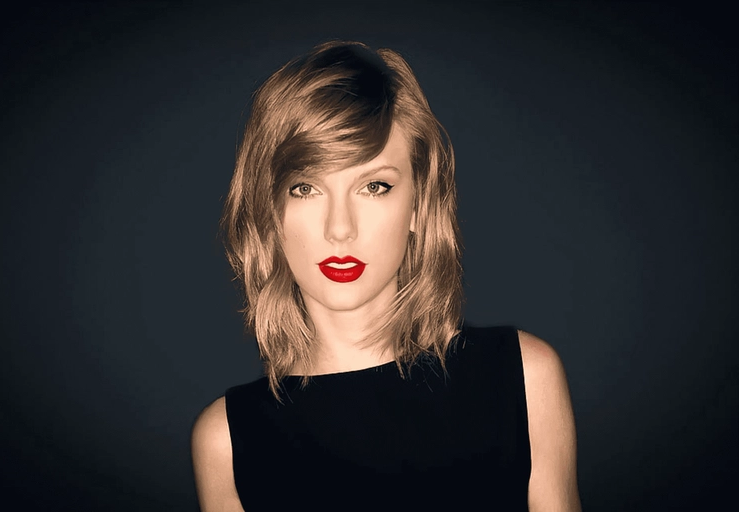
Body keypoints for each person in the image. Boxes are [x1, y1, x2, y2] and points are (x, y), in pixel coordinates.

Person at [191, 40, 581, 511]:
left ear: (417, 203)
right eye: (305, 188)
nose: (340, 228)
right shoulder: (227, 441)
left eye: (374, 186)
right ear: (269, 211)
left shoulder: (523, 377)